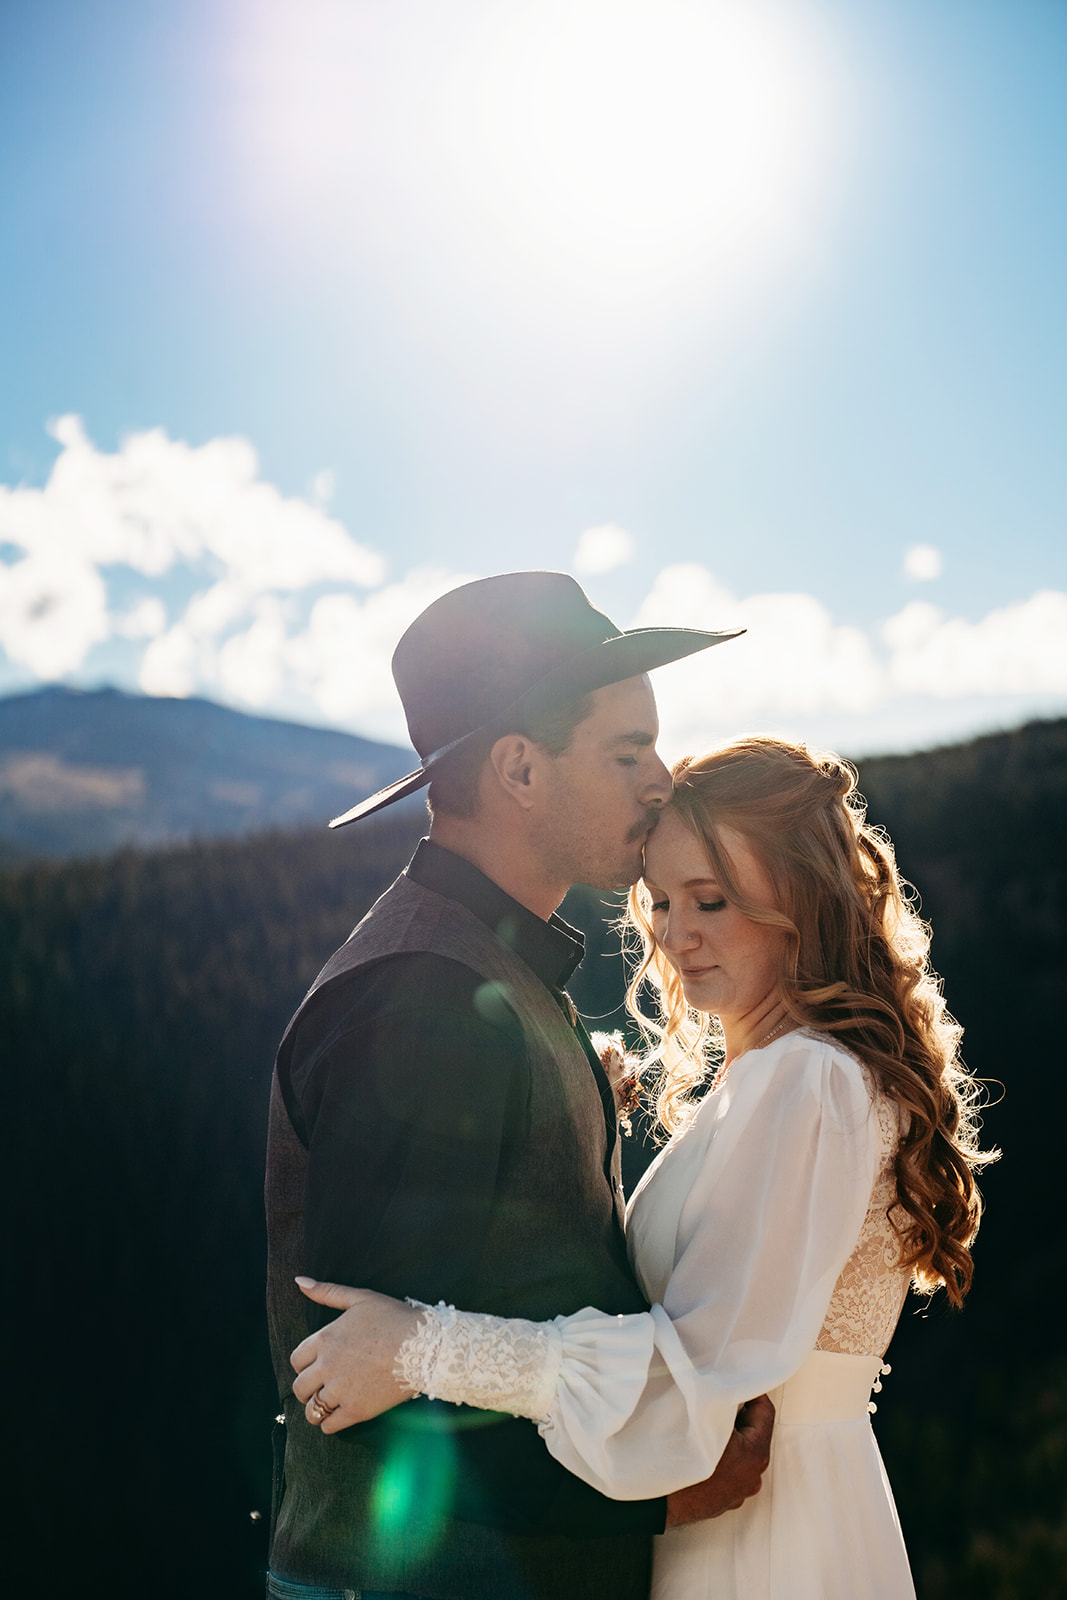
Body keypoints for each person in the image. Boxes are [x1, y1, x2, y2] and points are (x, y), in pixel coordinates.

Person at [290, 736, 997, 1600]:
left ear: (802, 902)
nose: (676, 933)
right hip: (769, 1509)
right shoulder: (780, 1072)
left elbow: (689, 1369)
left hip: (762, 1535)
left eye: (711, 901)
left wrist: (420, 1350)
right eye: (660, 900)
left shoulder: (805, 1078)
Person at [264, 570, 772, 1600]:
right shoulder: (420, 1002)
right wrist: (655, 1494)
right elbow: (369, 1376)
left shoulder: (477, 972)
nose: (659, 779)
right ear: (519, 771)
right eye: (626, 750)